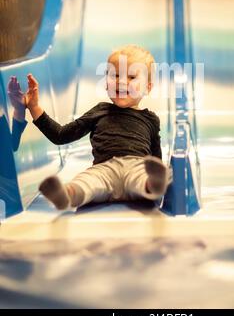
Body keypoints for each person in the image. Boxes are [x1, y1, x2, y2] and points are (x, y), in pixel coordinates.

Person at [25, 44, 172, 210]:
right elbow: (61, 135)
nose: (121, 82)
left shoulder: (150, 119)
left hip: (135, 166)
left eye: (131, 77)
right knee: (87, 182)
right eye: (115, 75)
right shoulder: (100, 111)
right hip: (103, 170)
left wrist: (158, 173)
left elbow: (155, 160)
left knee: (142, 179)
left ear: (148, 87)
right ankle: (66, 195)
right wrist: (34, 107)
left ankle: (153, 185)